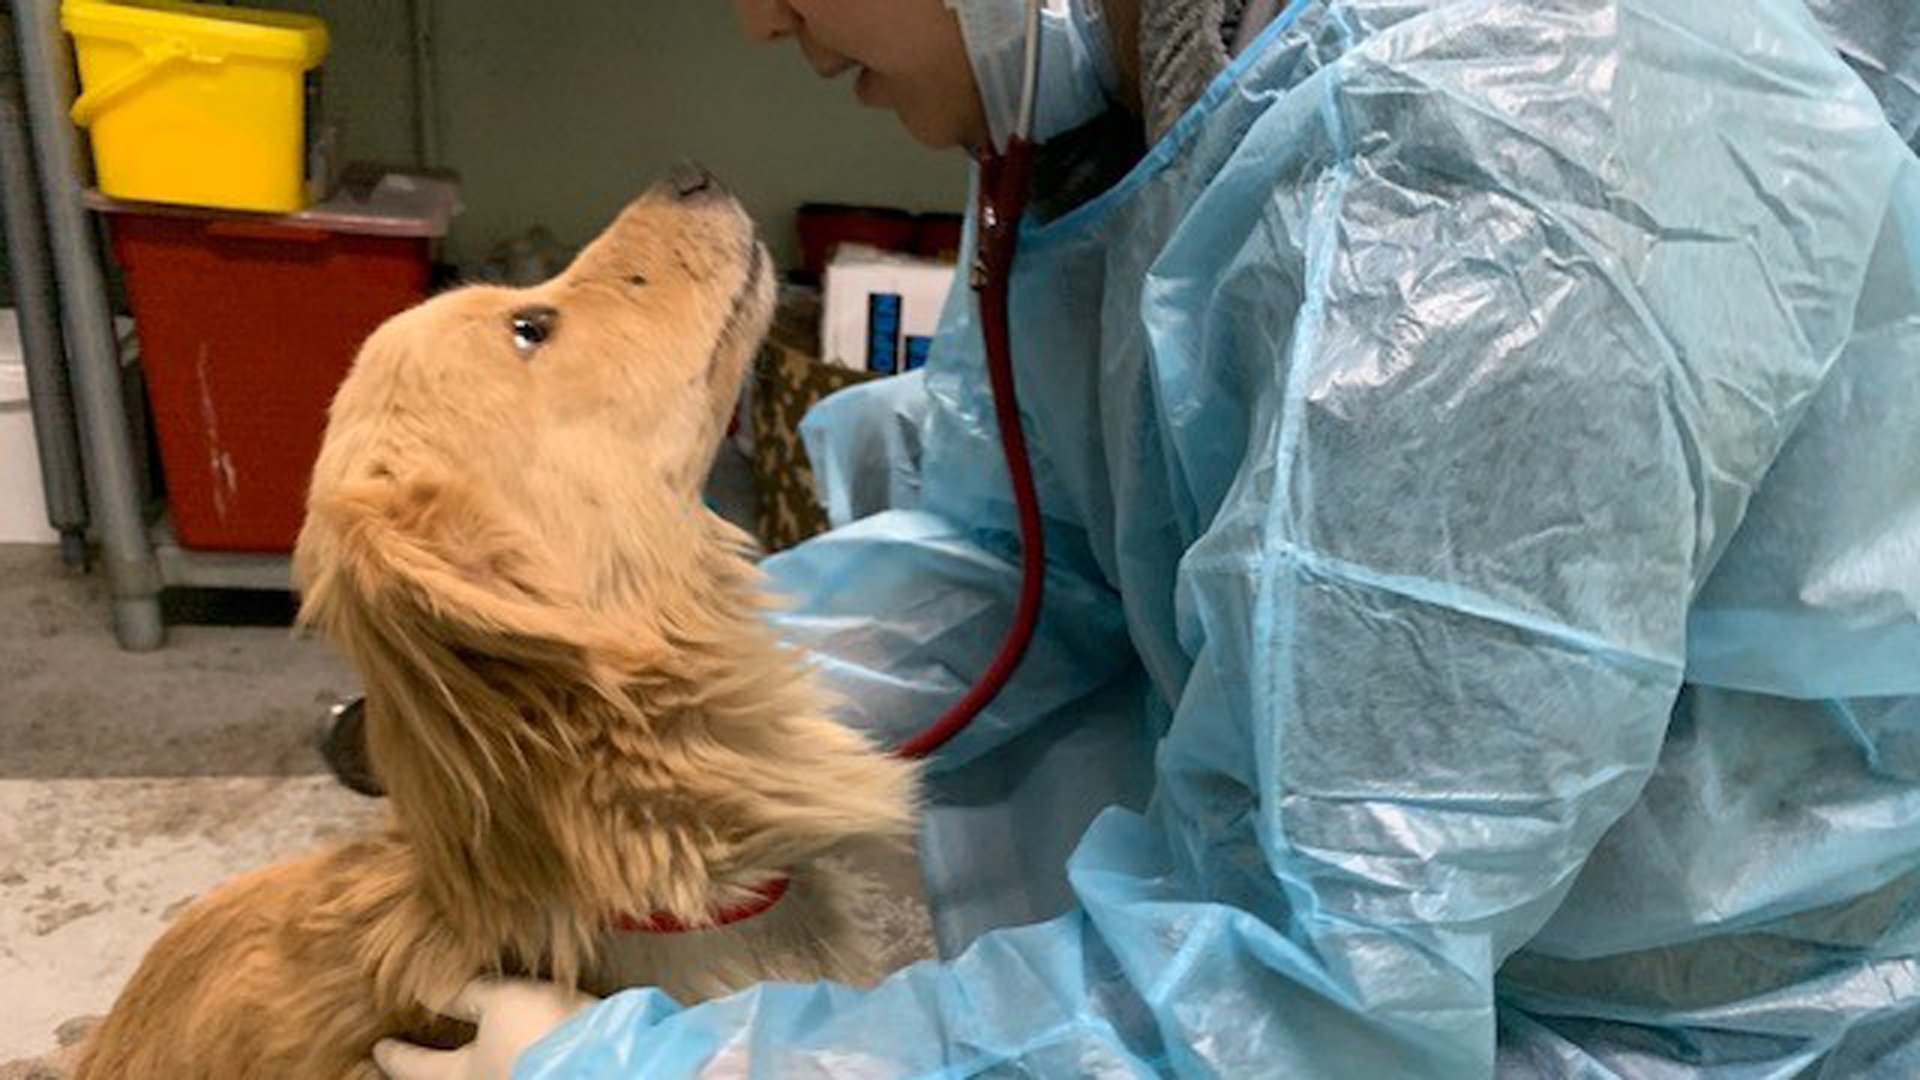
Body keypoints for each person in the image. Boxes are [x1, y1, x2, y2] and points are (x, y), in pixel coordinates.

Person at [375, 1, 1920, 1076]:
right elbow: (1025, 550)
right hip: (1406, 960)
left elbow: (1327, 1004)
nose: (757, 23)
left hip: (1642, 1023)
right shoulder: (1141, 105)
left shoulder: (1484, 173)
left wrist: (654, 1072)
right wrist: (584, 727)